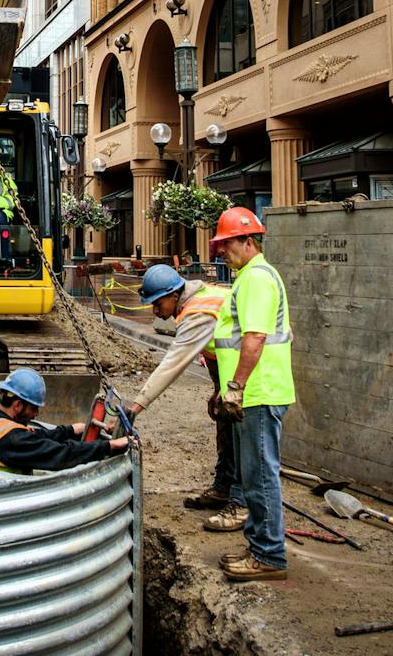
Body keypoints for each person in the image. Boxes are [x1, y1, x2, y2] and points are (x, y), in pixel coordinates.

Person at [210, 207, 295, 583]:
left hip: (258, 393)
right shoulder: (247, 277)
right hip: (252, 394)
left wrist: (236, 387)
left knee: (260, 476)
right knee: (253, 473)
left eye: (227, 243)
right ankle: (258, 545)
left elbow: (255, 338)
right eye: (220, 244)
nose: (221, 251)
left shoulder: (257, 278)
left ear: (249, 240)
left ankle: (269, 555)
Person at [125, 264, 240, 525]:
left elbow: (173, 363)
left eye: (157, 304)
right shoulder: (196, 300)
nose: (155, 311)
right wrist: (217, 388)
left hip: (250, 374)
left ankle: (240, 503)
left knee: (240, 437)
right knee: (225, 428)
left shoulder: (198, 312)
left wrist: (136, 406)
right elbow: (215, 349)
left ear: (174, 295)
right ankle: (223, 488)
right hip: (230, 374)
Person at [0, 367, 132, 483]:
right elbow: (61, 455)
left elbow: (38, 437)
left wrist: (72, 429)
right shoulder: (9, 438)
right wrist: (109, 446)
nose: (36, 414)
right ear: (18, 405)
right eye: (34, 408)